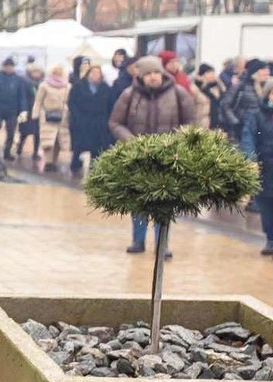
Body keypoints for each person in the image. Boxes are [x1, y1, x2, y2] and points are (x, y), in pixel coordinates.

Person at [109, 56, 197, 256]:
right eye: (148, 74)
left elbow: (191, 122)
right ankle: (137, 241)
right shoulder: (129, 95)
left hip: (169, 156)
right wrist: (133, 142)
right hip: (139, 157)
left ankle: (162, 244)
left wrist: (175, 143)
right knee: (139, 201)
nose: (153, 77)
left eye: (156, 72)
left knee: (164, 203)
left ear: (162, 73)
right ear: (141, 76)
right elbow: (115, 123)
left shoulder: (178, 93)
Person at [239, 79, 273, 255]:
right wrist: (250, 158)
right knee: (266, 204)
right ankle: (270, 239)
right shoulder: (256, 115)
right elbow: (248, 136)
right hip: (265, 167)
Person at [68, 61, 113, 177]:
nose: (96, 75)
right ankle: (75, 165)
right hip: (82, 120)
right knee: (79, 145)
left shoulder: (106, 88)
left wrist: (107, 119)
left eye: (98, 73)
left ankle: (95, 168)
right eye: (93, 72)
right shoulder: (79, 86)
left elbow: (110, 105)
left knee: (98, 146)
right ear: (88, 74)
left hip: (99, 121)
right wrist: (77, 117)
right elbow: (72, 102)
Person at [32, 64, 72, 173]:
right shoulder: (44, 85)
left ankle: (54, 161)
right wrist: (35, 114)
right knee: (47, 141)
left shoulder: (67, 86)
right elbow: (38, 101)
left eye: (59, 73)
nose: (57, 75)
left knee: (58, 141)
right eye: (56, 72)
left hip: (62, 117)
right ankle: (48, 163)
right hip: (47, 116)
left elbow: (70, 101)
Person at [0, 57, 29, 159]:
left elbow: (22, 96)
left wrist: (23, 110)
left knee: (11, 132)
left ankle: (7, 152)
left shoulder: (18, 80)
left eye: (11, 67)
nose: (9, 68)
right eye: (7, 66)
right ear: (3, 67)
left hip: (12, 110)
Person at [222, 58, 268, 145]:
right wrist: (236, 122)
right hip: (242, 128)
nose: (267, 72)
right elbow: (225, 105)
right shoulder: (241, 86)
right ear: (255, 72)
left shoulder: (266, 87)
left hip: (260, 129)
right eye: (263, 69)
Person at [15, 63, 45, 161]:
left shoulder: (42, 83)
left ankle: (35, 152)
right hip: (26, 110)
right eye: (34, 72)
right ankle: (19, 148)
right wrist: (23, 111)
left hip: (38, 112)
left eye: (38, 72)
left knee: (37, 133)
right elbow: (22, 97)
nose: (37, 74)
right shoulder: (25, 82)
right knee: (24, 132)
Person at [193, 63, 226, 131]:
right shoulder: (197, 87)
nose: (212, 75)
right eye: (209, 73)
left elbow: (223, 101)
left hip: (216, 123)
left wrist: (221, 86)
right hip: (201, 123)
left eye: (213, 73)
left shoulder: (216, 86)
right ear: (202, 75)